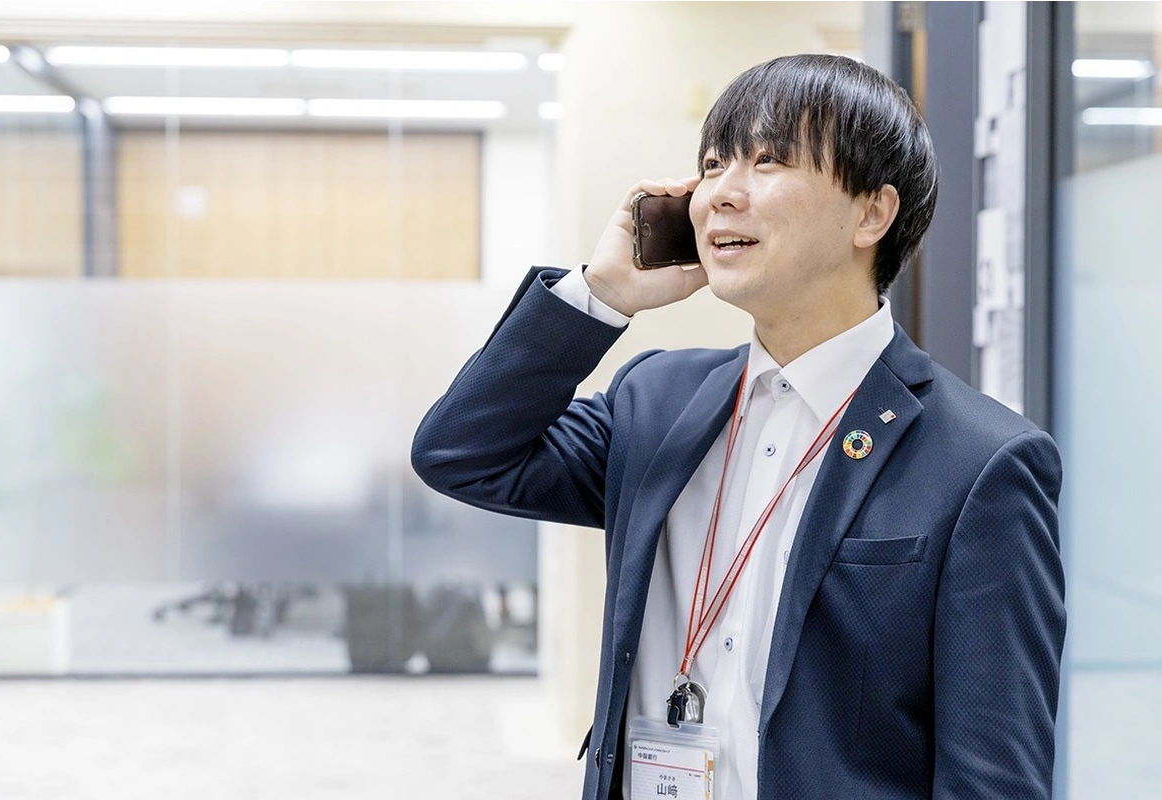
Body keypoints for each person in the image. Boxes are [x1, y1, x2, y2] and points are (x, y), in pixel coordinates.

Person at [411, 53, 1065, 800]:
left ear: (871, 213)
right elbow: (461, 453)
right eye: (714, 163)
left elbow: (993, 778)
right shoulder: (656, 401)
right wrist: (600, 295)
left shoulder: (981, 462)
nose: (721, 192)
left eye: (768, 161)